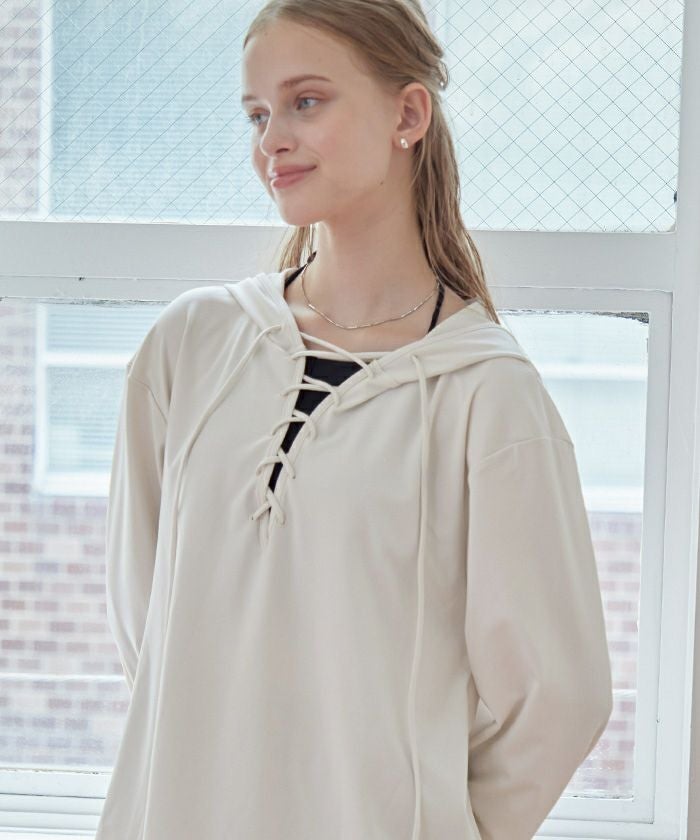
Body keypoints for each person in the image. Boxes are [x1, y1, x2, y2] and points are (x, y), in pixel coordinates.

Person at [95, 2, 614, 839]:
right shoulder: (190, 346)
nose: (271, 141)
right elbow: (145, 626)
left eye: (306, 102)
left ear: (408, 115)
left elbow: (560, 696)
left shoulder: (486, 394)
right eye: (257, 114)